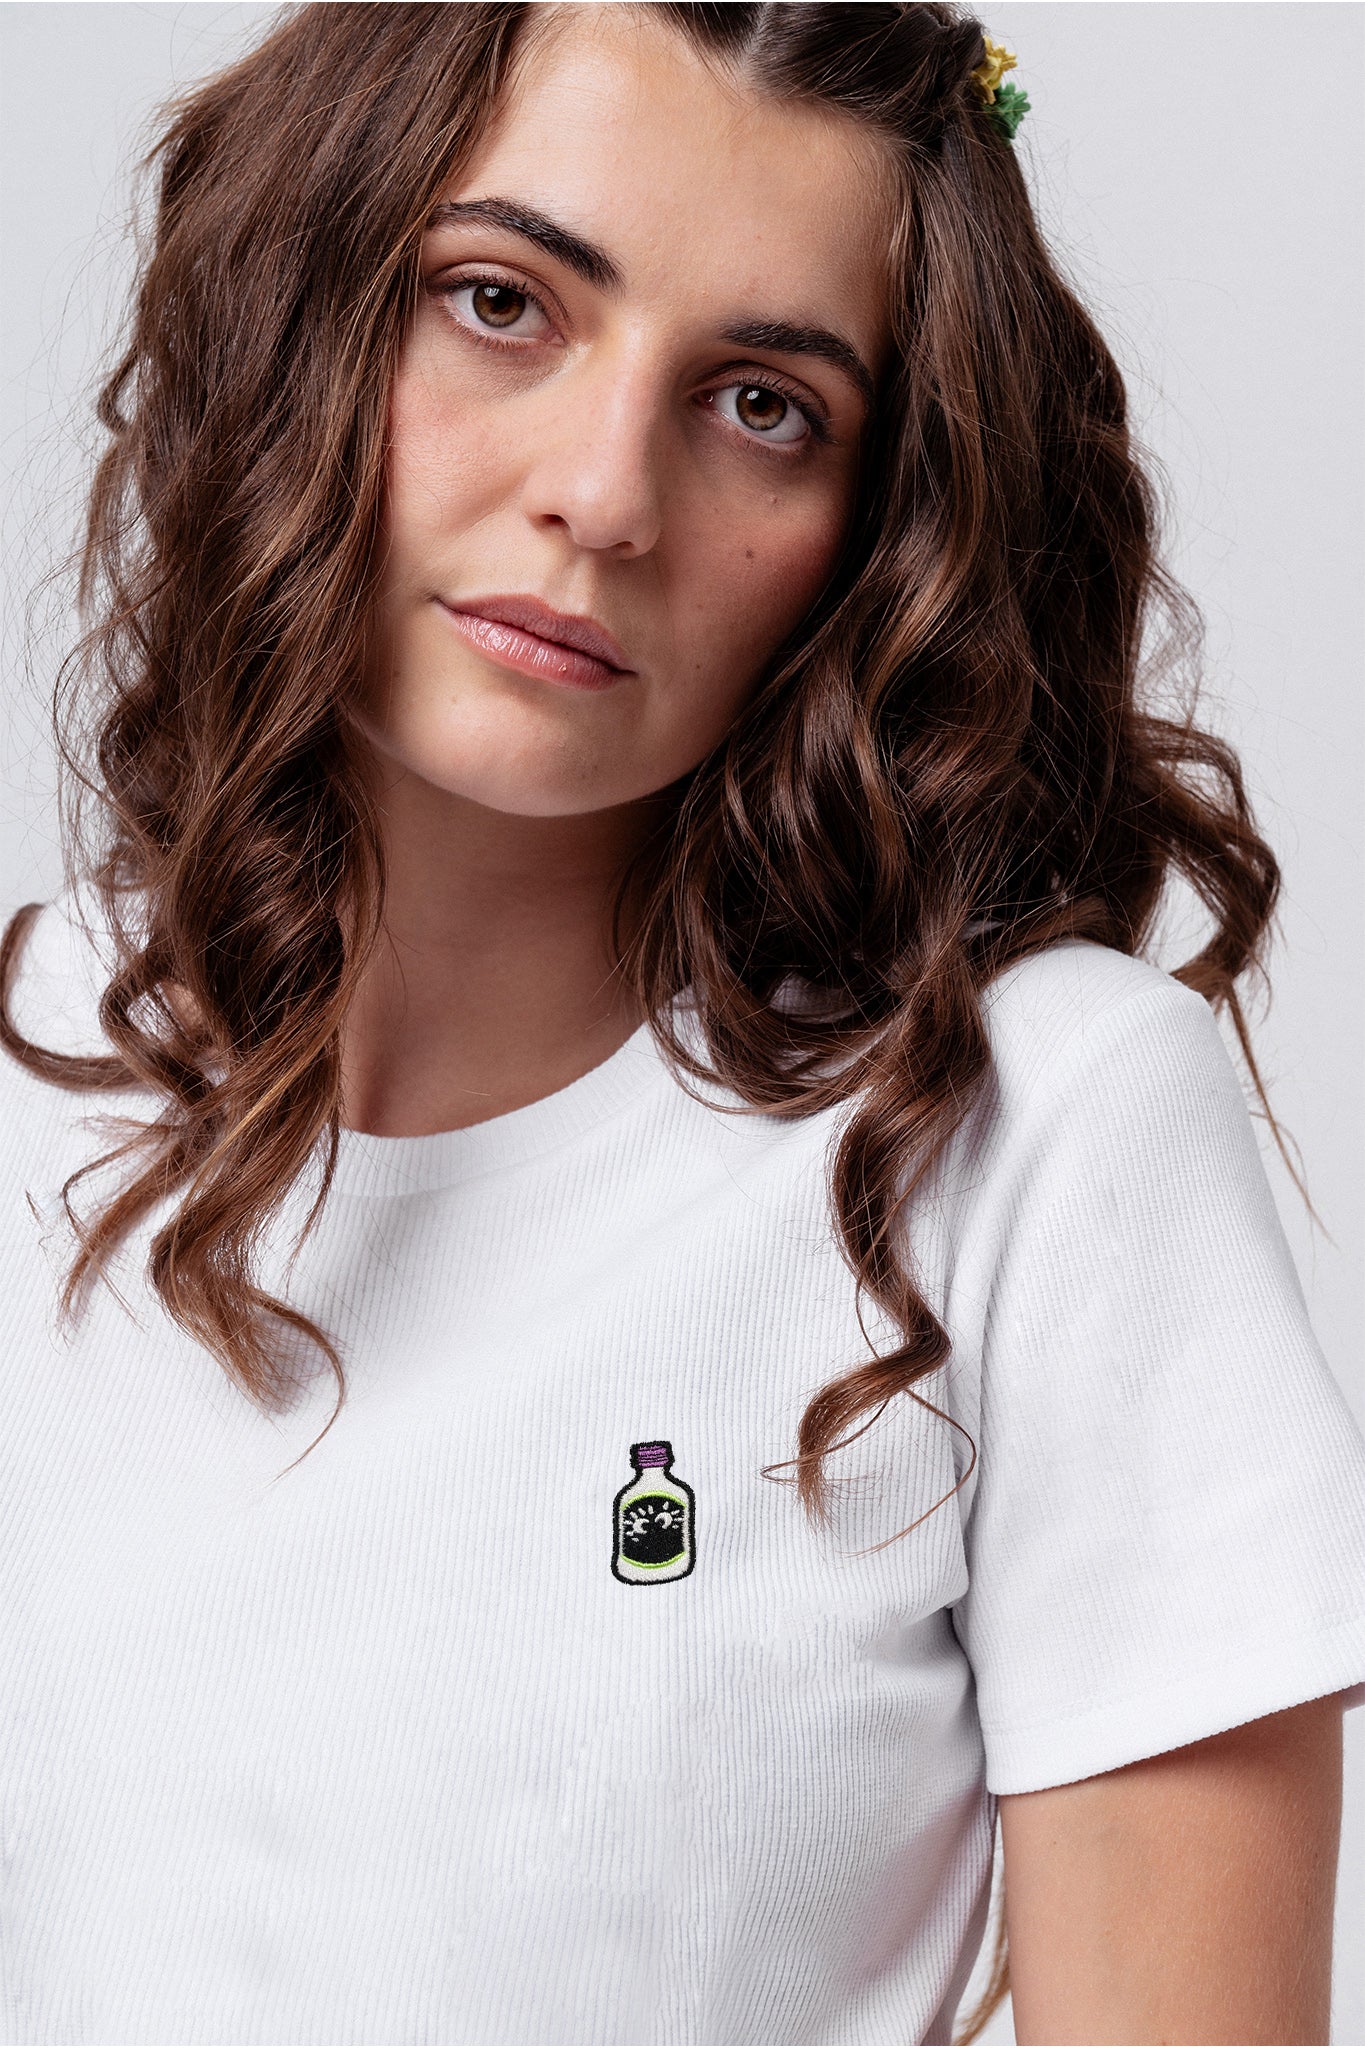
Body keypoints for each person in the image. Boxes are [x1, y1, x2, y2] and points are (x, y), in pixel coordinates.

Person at [1, 4, 1362, 2043]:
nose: (602, 494)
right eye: (500, 303)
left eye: (760, 405)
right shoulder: (26, 1071)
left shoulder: (1033, 1131)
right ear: (302, 306)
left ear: (875, 527)